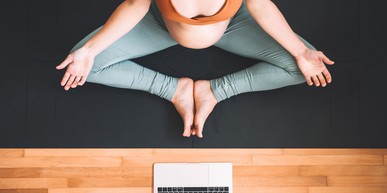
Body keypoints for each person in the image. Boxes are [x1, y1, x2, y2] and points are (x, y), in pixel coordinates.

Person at [56, 0, 334, 138]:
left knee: (305, 68)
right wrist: (89, 50)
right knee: (83, 66)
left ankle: (213, 91)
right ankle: (174, 90)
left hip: (234, 25)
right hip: (159, 25)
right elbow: (134, 4)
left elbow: (260, 4)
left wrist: (300, 51)